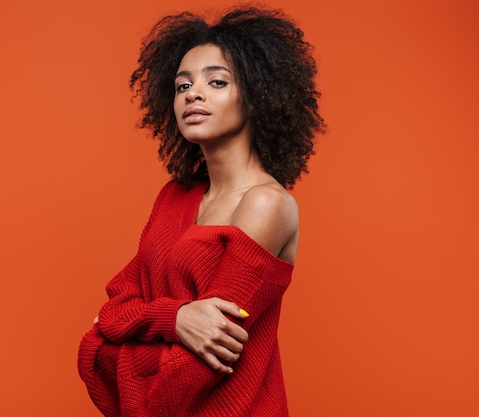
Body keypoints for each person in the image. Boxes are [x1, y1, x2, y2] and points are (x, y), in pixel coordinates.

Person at [78, 6, 324, 417]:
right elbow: (115, 307)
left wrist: (102, 350)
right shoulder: (174, 196)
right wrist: (175, 319)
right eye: (182, 85)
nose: (193, 94)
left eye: (217, 82)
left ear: (259, 95)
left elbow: (192, 371)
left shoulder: (266, 205)